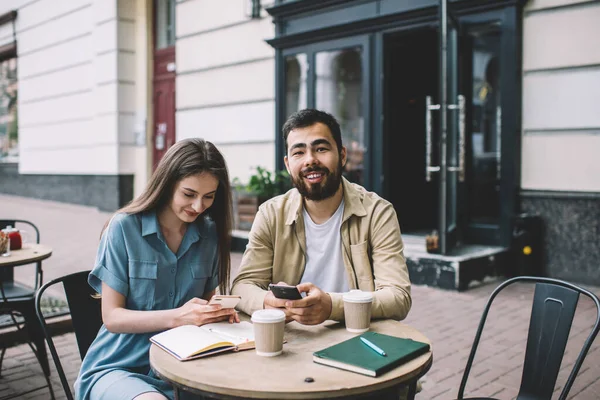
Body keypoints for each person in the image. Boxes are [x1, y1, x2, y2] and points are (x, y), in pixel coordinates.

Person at [75, 138, 239, 400]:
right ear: (167, 184)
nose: (198, 206)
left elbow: (206, 305)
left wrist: (217, 313)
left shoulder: (209, 233)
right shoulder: (124, 228)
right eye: (189, 194)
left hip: (186, 366)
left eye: (208, 197)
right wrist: (178, 316)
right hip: (119, 368)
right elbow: (113, 318)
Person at [232, 109, 411, 325]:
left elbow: (398, 297)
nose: (310, 160)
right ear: (288, 165)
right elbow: (243, 286)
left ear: (342, 155)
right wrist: (267, 302)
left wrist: (331, 306)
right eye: (299, 152)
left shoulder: (377, 212)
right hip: (292, 339)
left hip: (356, 334)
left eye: (321, 149)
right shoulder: (271, 214)